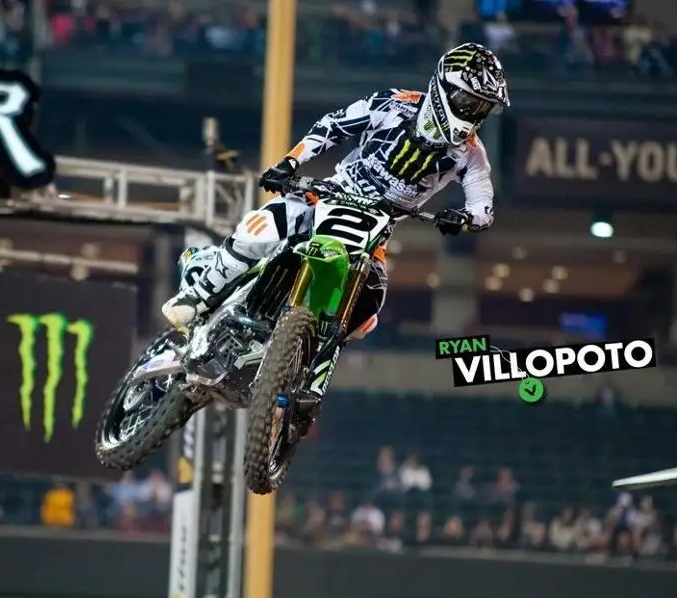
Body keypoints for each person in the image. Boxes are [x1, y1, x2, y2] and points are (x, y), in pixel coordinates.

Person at [164, 42, 509, 407]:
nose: (476, 112)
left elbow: (483, 205)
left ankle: (299, 363)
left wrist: (466, 218)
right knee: (261, 227)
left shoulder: (472, 153)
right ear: (446, 89)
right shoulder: (394, 104)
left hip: (377, 227)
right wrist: (290, 163)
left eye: (483, 107)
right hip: (330, 195)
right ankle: (198, 295)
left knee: (368, 309)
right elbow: (333, 126)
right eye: (471, 101)